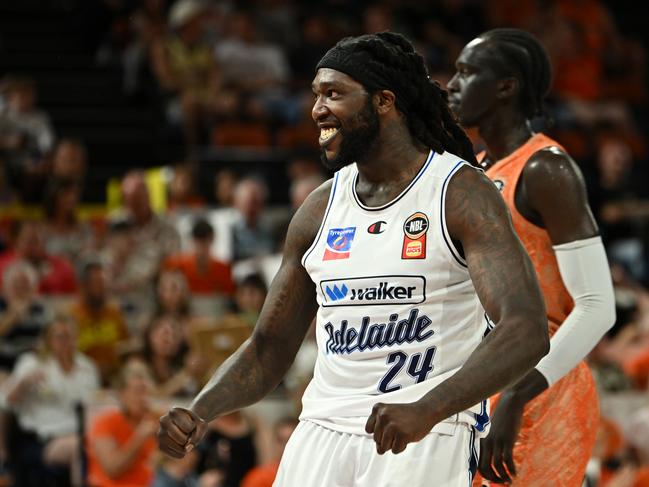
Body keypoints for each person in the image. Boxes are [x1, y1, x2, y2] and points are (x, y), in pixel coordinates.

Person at [158, 31, 549, 486]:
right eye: (315, 95)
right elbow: (269, 347)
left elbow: (525, 329)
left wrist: (430, 407)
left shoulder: (458, 192)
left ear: (384, 101)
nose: (317, 109)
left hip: (425, 431)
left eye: (334, 93)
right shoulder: (320, 209)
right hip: (322, 430)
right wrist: (200, 410)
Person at [447, 28, 616, 486]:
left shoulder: (547, 169)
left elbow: (598, 307)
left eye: (467, 72)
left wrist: (519, 397)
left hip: (539, 387)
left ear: (507, 85)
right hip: (480, 385)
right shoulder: (474, 172)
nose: (451, 85)